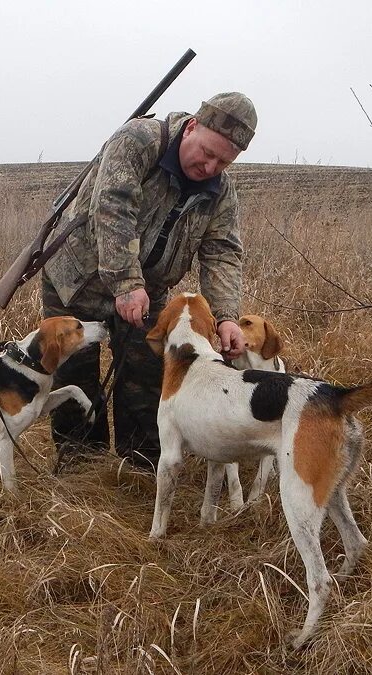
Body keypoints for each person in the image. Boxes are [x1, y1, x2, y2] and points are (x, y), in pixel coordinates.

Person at [41, 92, 257, 471]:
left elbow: (222, 252)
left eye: (224, 161)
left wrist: (225, 317)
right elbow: (112, 207)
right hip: (77, 278)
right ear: (192, 126)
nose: (210, 166)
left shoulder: (221, 193)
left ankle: (140, 465)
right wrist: (125, 282)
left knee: (146, 372)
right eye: (207, 152)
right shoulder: (138, 140)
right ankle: (79, 464)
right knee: (74, 369)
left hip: (149, 291)